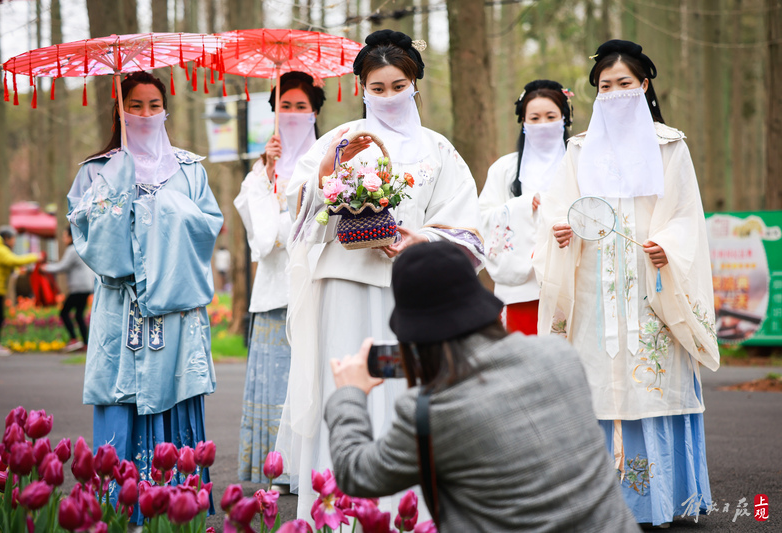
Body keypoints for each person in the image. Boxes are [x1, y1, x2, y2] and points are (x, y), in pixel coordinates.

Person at [277, 30, 484, 521]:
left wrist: (422, 240)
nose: (388, 96)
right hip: (342, 291)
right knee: (346, 388)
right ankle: (338, 515)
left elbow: (468, 228)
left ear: (414, 85)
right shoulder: (338, 139)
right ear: (361, 89)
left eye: (398, 85)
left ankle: (405, 513)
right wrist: (329, 171)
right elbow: (295, 209)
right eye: (378, 87)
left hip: (407, 297)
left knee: (399, 393)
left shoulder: (439, 151)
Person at [325, 241, 640, 532]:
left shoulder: (431, 412)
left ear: (412, 336)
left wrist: (349, 394)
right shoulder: (561, 357)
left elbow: (357, 473)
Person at [533, 40, 719, 527]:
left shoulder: (669, 146)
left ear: (645, 86)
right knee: (595, 388)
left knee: (652, 387)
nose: (614, 94)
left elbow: (686, 216)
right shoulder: (578, 150)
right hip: (593, 293)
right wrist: (560, 232)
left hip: (652, 290)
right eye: (605, 87)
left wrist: (667, 249)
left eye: (624, 85)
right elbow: (560, 211)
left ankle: (659, 499)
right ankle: (596, 501)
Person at [67, 71, 223, 524]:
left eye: (154, 105)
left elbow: (206, 226)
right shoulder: (96, 170)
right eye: (135, 105)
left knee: (175, 389)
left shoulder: (191, 169)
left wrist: (160, 210)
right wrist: (117, 191)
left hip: (175, 311)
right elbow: (88, 239)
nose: (145, 114)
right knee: (122, 393)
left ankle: (178, 500)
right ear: (119, 109)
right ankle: (119, 504)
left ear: (165, 108)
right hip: (122, 309)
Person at [233, 71, 325, 486]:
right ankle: (277, 469)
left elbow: (321, 229)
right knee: (277, 382)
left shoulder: (328, 163)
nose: (292, 113)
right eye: (285, 106)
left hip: (317, 287)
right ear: (273, 112)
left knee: (311, 377)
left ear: (315, 111)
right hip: (272, 293)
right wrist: (271, 181)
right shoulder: (257, 174)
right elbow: (264, 241)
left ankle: (312, 468)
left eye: (300, 106)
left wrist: (290, 216)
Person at [479, 80, 572, 335]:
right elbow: (482, 220)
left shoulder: (582, 166)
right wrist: (521, 207)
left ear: (564, 119)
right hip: (521, 290)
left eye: (551, 116)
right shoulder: (504, 169)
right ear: (523, 122)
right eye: (535, 117)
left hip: (572, 287)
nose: (543, 124)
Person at [0, 226, 40, 357]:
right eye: (13, 238)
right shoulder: (0, 249)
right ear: (7, 238)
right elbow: (14, 260)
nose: (14, 241)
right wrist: (35, 257)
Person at [41, 226, 95, 352]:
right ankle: (85, 343)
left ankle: (74, 340)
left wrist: (45, 268)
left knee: (64, 312)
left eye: (65, 236)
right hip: (86, 286)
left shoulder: (72, 249)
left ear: (71, 236)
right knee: (78, 315)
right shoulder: (81, 247)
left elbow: (62, 266)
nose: (63, 238)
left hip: (78, 288)